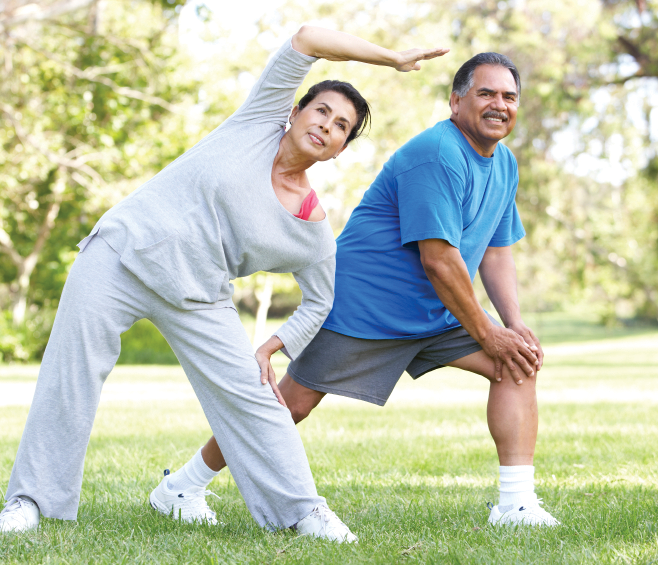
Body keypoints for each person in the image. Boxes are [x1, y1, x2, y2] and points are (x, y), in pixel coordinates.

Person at [0, 26, 449, 540]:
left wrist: (274, 347)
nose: (327, 124)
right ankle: (31, 500)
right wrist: (391, 58)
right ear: (296, 112)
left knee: (255, 397)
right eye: (321, 110)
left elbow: (321, 301)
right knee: (71, 374)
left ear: (340, 149)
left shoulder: (312, 230)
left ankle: (302, 511)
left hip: (198, 295)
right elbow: (308, 37)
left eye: (341, 125)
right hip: (122, 253)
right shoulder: (256, 122)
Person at [198, 52, 560, 528]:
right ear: (455, 102)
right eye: (485, 93)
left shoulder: (504, 163)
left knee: (517, 364)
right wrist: (489, 332)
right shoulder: (437, 154)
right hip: (362, 307)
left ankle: (515, 506)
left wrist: (513, 325)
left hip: (437, 310)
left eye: (509, 96)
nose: (499, 104)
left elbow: (495, 248)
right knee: (292, 405)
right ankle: (183, 485)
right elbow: (440, 259)